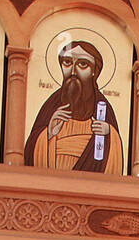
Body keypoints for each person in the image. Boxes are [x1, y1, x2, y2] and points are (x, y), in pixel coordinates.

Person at [24, 40, 123, 174]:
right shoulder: (51, 105)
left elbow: (114, 165)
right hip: (52, 183)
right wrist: (47, 134)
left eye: (83, 64)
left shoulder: (103, 108)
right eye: (67, 62)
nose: (73, 71)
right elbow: (30, 153)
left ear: (95, 71)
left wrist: (109, 133)